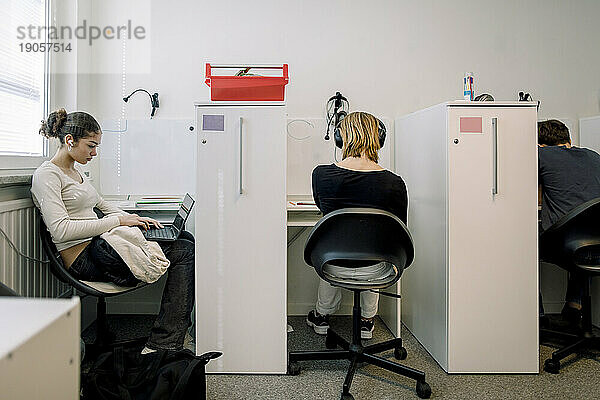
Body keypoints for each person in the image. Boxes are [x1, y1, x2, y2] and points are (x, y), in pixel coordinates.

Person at [31, 108, 195, 353]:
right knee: (184, 251)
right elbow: (62, 231)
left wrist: (136, 219)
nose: (95, 153)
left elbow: (102, 204)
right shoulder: (47, 176)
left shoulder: (75, 172)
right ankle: (164, 342)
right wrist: (118, 222)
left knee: (184, 237)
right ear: (69, 141)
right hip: (83, 258)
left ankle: (172, 333)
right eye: (91, 145)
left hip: (100, 246)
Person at [306, 111, 408, 339]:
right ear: (379, 140)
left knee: (333, 244)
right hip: (377, 270)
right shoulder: (395, 183)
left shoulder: (321, 175)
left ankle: (322, 315)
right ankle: (366, 320)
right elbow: (398, 232)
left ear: (340, 139)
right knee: (377, 248)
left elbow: (324, 210)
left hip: (331, 265)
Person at [538, 119, 600, 323]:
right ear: (569, 140)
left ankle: (536, 312)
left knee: (523, 246)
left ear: (539, 144)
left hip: (564, 245)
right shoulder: (594, 156)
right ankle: (574, 305)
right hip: (595, 243)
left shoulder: (541, 155)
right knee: (586, 235)